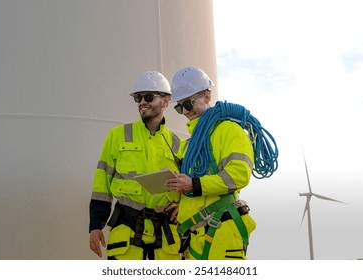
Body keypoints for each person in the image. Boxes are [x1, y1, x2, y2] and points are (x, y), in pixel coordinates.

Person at [165, 67, 257, 260]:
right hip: (194, 238)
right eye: (179, 107)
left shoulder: (229, 131)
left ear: (207, 96)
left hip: (221, 234)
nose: (184, 112)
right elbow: (193, 185)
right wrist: (182, 201)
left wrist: (193, 185)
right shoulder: (188, 145)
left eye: (188, 104)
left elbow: (238, 175)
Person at [89, 71, 182, 260]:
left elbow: (187, 185)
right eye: (138, 97)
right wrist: (95, 225)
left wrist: (185, 204)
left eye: (148, 97)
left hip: (165, 234)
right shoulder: (117, 136)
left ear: (165, 101)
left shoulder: (178, 144)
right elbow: (102, 184)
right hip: (128, 227)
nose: (142, 102)